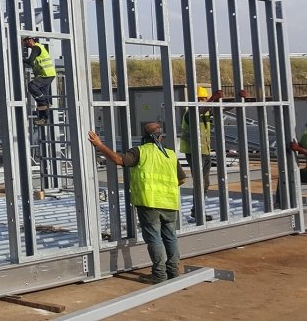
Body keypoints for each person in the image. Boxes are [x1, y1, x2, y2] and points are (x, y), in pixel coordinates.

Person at [88, 122, 187, 284]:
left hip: (149, 202)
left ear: (144, 137)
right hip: (169, 202)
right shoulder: (170, 154)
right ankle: (173, 272)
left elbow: (119, 160)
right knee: (170, 237)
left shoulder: (140, 151)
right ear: (161, 137)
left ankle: (159, 275)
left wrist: (99, 145)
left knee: (154, 238)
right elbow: (182, 179)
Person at [180, 86, 221, 221]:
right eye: (200, 99)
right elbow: (199, 110)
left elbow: (223, 109)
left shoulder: (206, 112)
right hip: (193, 151)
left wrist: (239, 100)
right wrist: (212, 99)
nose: (203, 101)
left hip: (205, 151)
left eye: (204, 99)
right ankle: (197, 212)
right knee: (200, 181)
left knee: (205, 182)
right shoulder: (190, 112)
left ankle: (197, 210)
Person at [22, 36, 56, 126]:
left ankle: (45, 103)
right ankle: (43, 119)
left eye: (25, 41)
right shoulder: (37, 48)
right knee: (41, 97)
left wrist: (22, 60)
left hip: (46, 74)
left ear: (30, 40)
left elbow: (30, 61)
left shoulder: (36, 48)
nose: (24, 44)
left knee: (32, 86)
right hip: (46, 75)